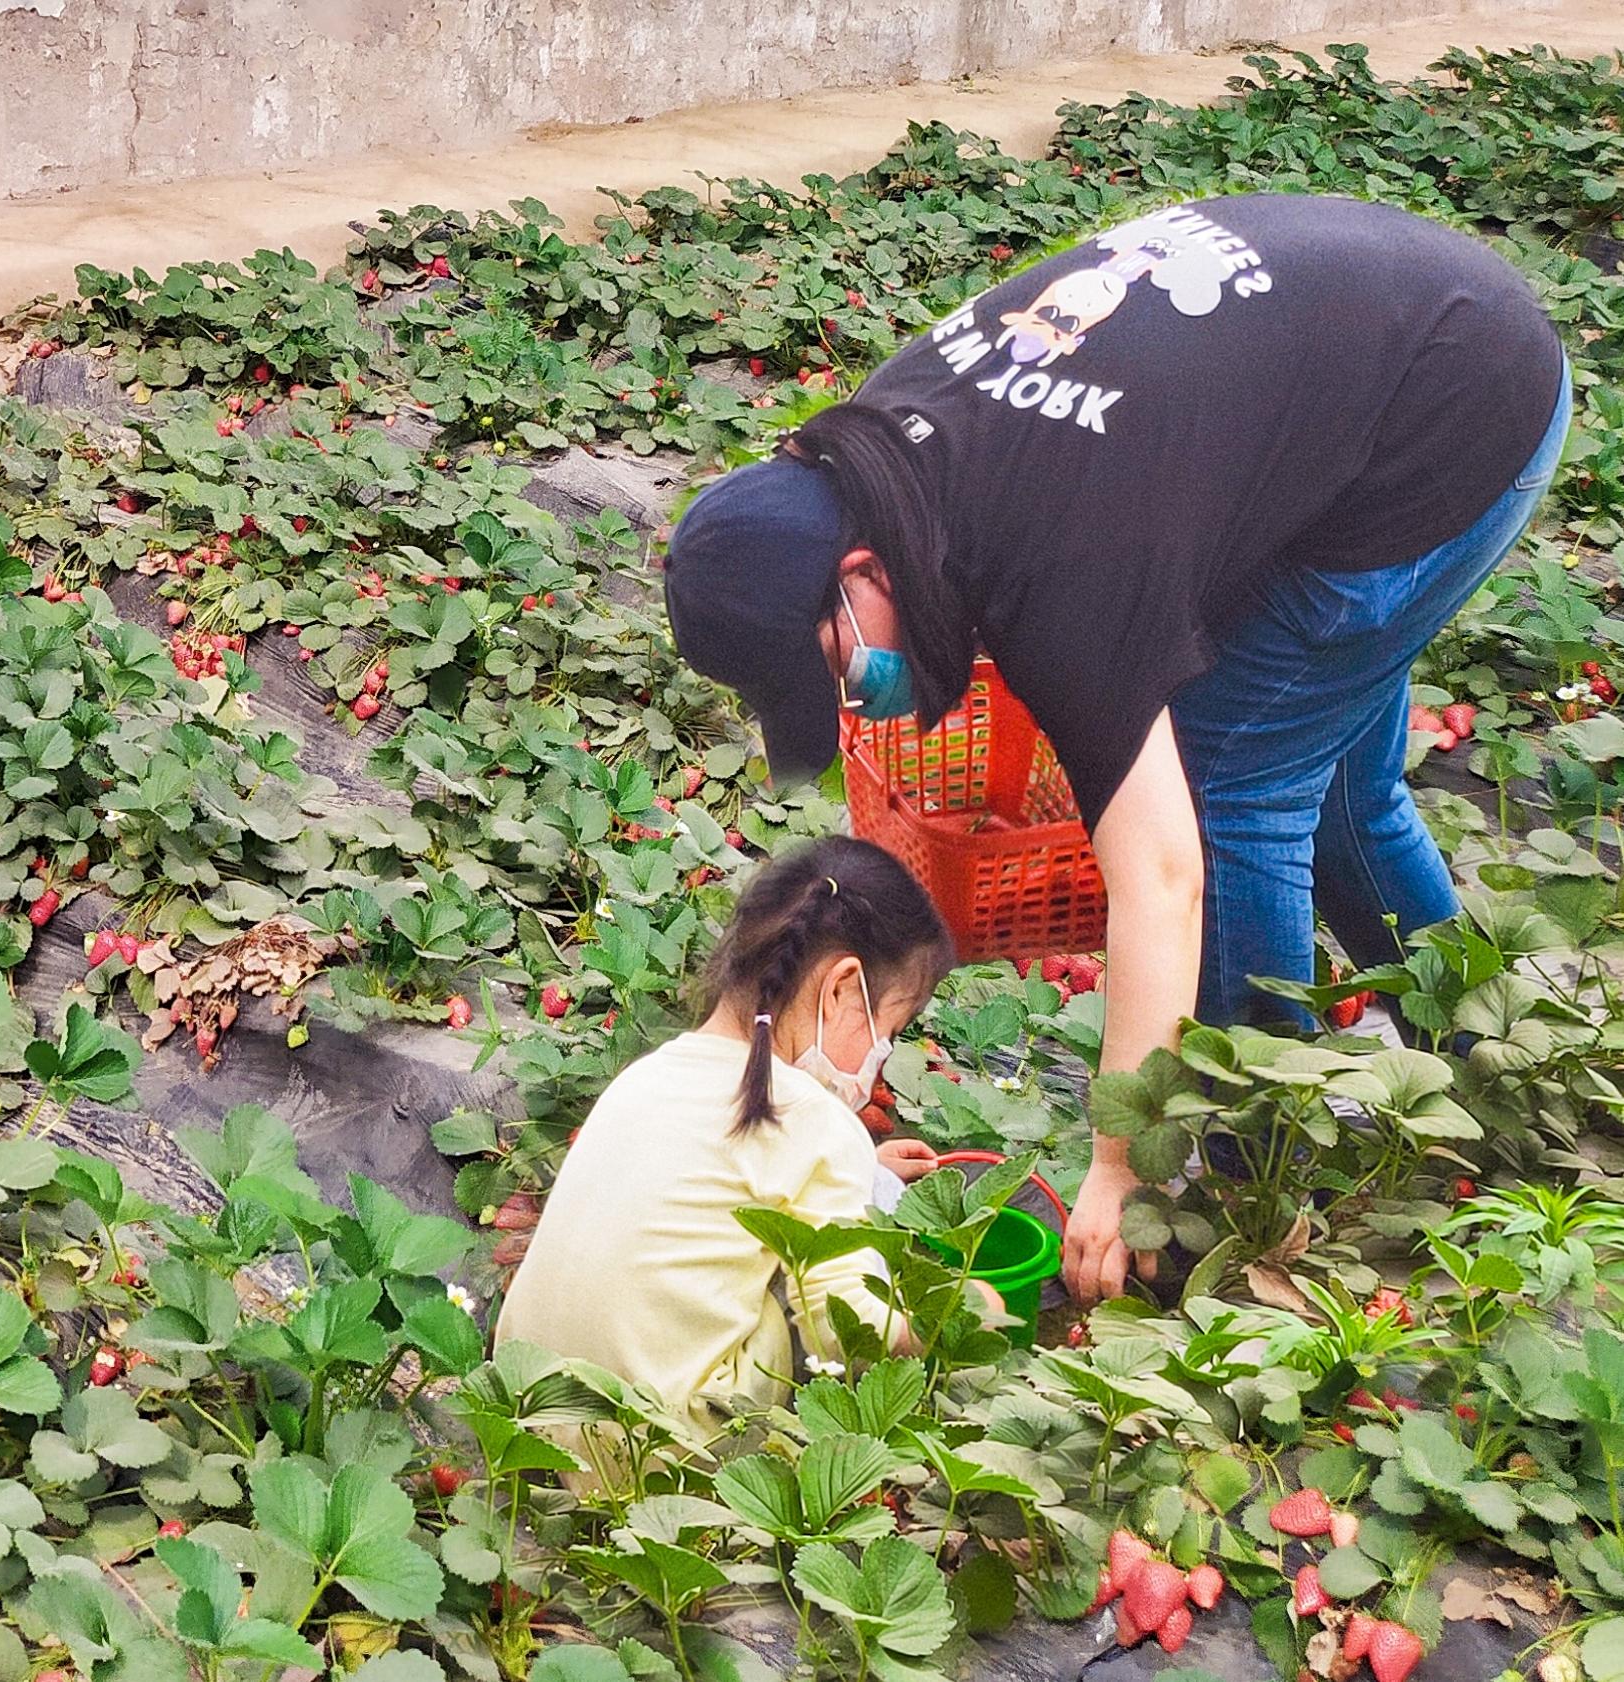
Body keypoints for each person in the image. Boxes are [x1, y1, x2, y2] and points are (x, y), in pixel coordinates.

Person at [660, 194, 1570, 1305]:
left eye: (840, 671)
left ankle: (1249, 1182)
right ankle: (1497, 1050)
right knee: (1328, 776)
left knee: (1236, 788)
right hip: (1397, 310)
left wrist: (1115, 1163)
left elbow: (1163, 873)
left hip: (1446, 417)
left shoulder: (1061, 559)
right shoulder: (888, 444)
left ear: (862, 572)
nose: (858, 698)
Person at [495, 838, 987, 1447]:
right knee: (802, 1273)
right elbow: (848, 1330)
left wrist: (871, 1168)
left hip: (527, 1415)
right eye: (890, 1028)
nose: (882, 1055)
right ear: (840, 990)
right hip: (662, 1447)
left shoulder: (649, 1075)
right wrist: (959, 1315)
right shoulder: (816, 1121)